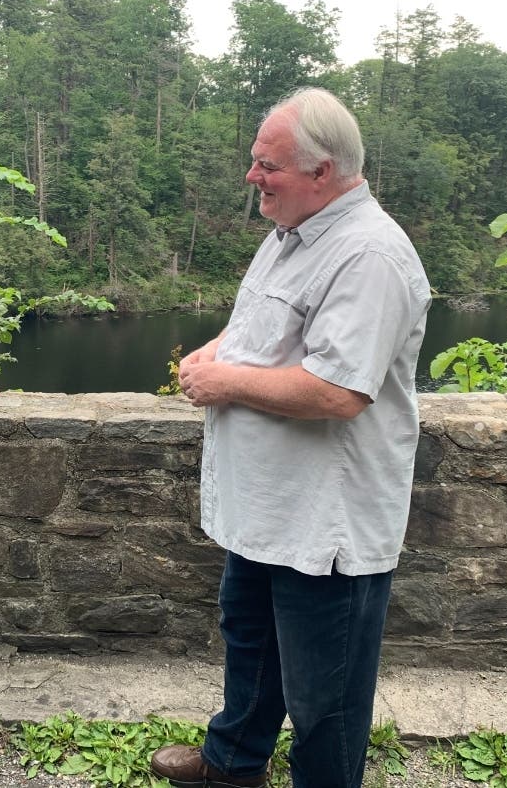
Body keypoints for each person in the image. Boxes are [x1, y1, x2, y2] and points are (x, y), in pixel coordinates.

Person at [150, 89, 430, 788]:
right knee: (250, 643)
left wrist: (224, 381)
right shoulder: (293, 232)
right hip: (269, 508)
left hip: (323, 523)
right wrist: (216, 351)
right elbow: (264, 325)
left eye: (267, 165)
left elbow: (339, 391)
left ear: (322, 171)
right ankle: (232, 764)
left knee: (324, 696)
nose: (253, 176)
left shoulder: (369, 256)